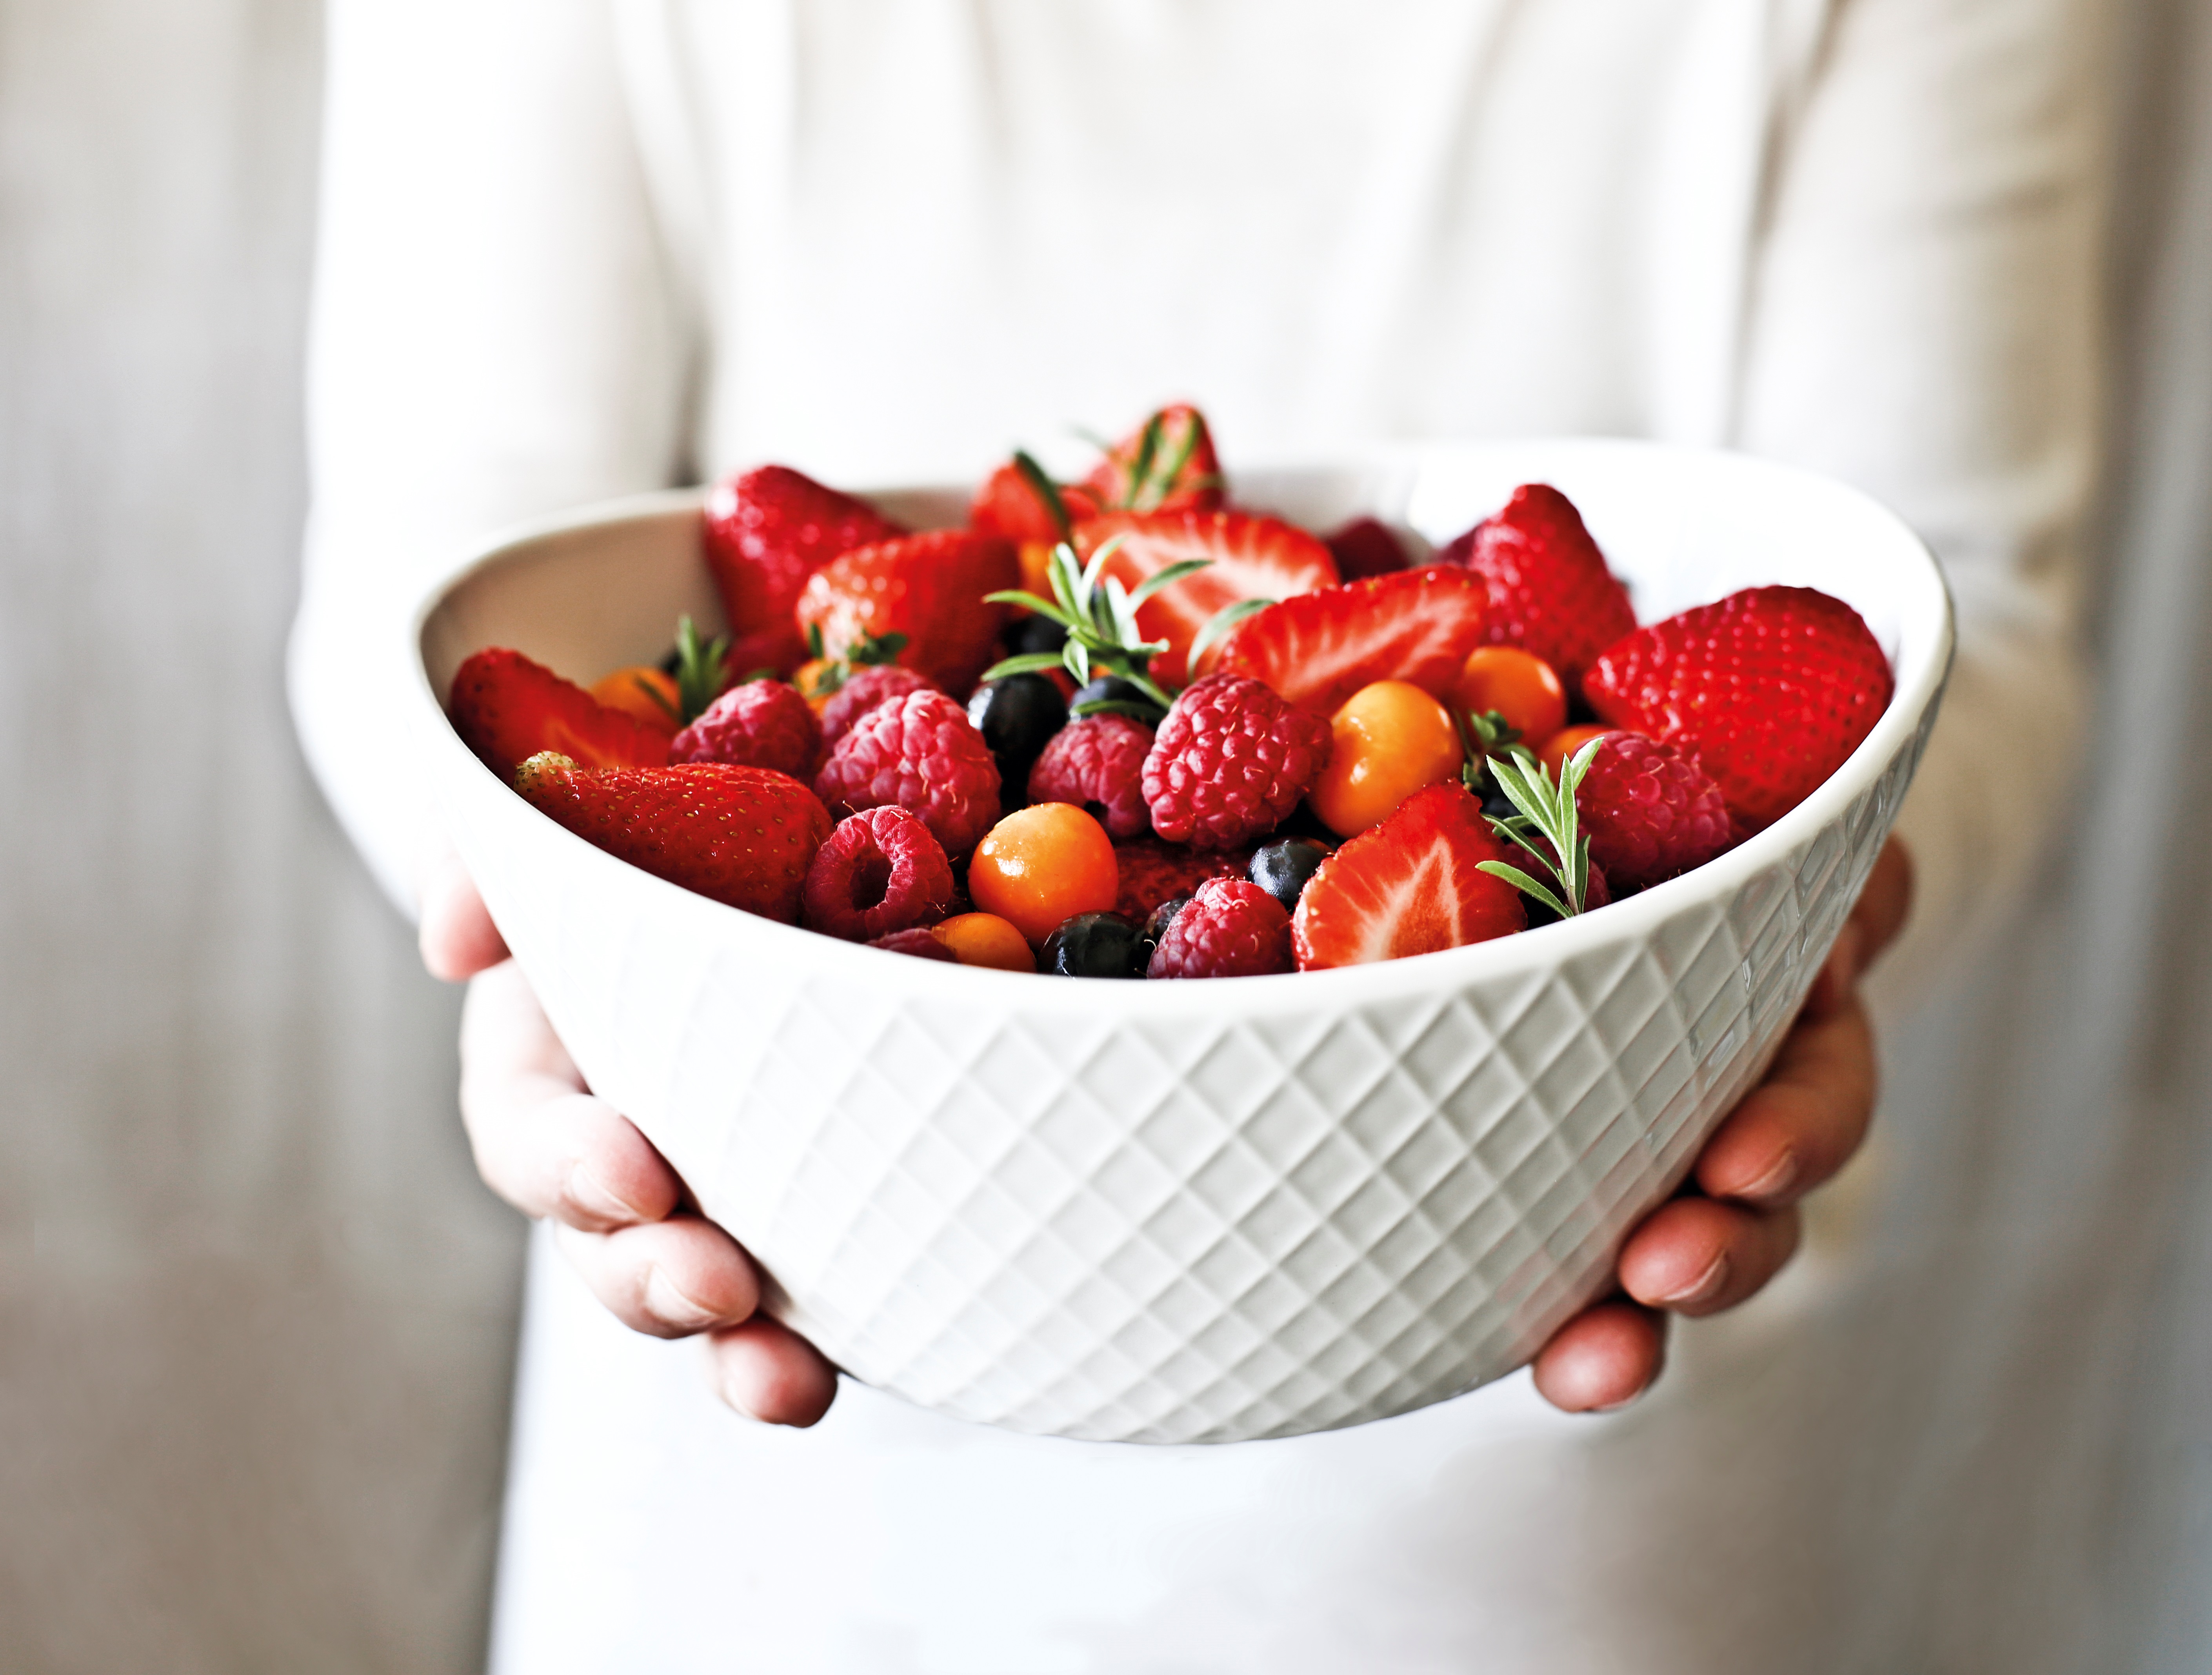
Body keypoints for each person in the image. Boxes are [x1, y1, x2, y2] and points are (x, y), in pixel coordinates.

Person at [292, 1, 2104, 1667]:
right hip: (785, 1375)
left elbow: (1961, 632)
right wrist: (567, 930)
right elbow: (440, 613)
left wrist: (1819, 910)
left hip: (1569, 1380)